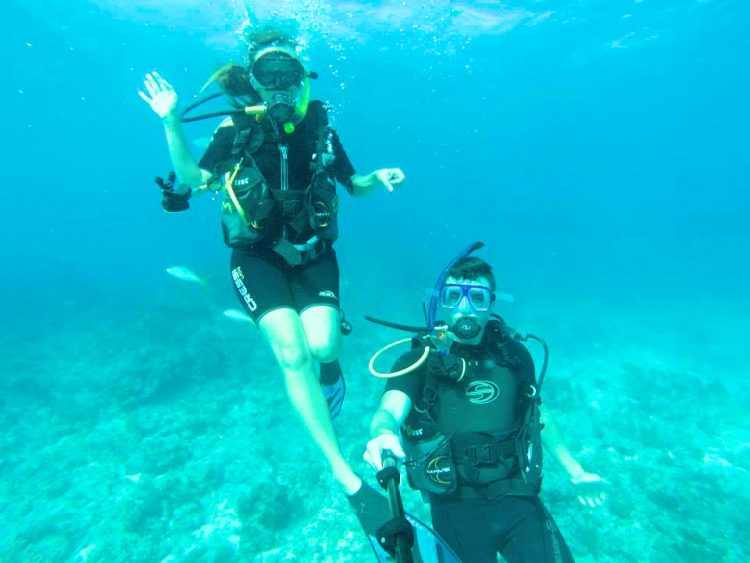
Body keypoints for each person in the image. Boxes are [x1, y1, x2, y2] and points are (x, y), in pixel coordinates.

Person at [139, 26, 405, 496]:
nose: (281, 84)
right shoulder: (236, 127)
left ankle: (330, 372)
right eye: (269, 73)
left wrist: (376, 176)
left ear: (304, 77)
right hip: (255, 258)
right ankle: (342, 471)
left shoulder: (321, 124)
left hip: (314, 255)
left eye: (290, 72)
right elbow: (193, 177)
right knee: (292, 352)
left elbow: (353, 184)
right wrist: (170, 121)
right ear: (254, 79)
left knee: (323, 347)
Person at [363, 248, 606, 562]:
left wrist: (576, 471)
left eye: (477, 298)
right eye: (454, 296)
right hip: (454, 503)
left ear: (491, 303)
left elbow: (537, 413)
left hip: (517, 495)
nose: (465, 309)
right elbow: (389, 410)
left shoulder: (514, 356)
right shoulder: (417, 361)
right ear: (441, 301)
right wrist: (382, 432)